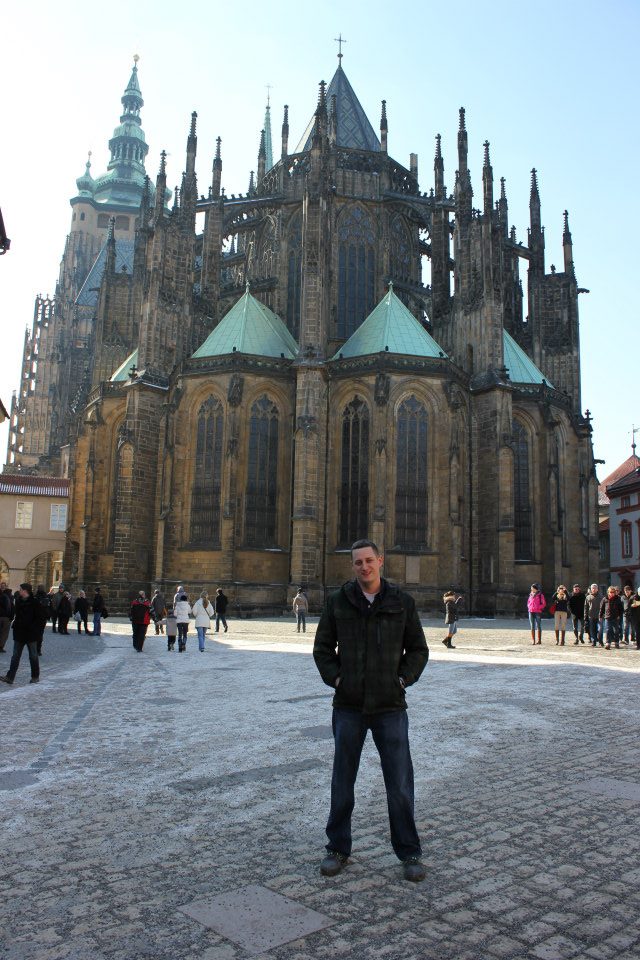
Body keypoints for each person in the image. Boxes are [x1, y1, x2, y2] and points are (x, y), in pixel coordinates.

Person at [313, 539, 429, 883]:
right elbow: (322, 648)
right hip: (349, 706)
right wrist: (337, 679)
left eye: (368, 560)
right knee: (342, 781)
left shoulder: (401, 602)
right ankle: (337, 848)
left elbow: (418, 650)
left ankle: (409, 852)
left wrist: (402, 679)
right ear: (353, 566)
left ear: (380, 561)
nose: (363, 567)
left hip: (389, 706)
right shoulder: (339, 601)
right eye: (357, 562)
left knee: (400, 783)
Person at [0, 583, 41, 685]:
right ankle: (10, 677)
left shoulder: (35, 602)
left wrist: (34, 629)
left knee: (33, 656)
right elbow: (17, 616)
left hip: (31, 634)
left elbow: (39, 618)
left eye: (21, 589)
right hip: (19, 633)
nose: (19, 590)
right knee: (15, 656)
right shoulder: (18, 601)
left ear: (25, 590)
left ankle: (35, 676)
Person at [34, 584, 52, 656]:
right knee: (39, 634)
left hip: (38, 618)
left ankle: (37, 649)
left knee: (37, 634)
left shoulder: (36, 596)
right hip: (41, 618)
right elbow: (49, 607)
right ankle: (37, 649)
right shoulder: (45, 596)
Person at [0, 580, 14, 653]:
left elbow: (12, 606)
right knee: (4, 633)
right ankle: (1, 647)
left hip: (6, 617)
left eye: (3, 586)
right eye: (2, 586)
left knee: (4, 633)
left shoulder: (9, 595)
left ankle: (1, 646)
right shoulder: (9, 595)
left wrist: (11, 616)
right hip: (4, 617)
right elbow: (12, 606)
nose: (2, 587)